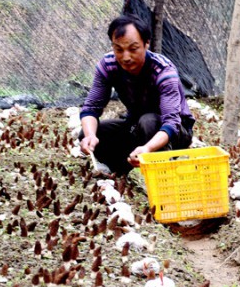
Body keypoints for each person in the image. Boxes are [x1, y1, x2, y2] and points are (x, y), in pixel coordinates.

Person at [79, 15, 195, 176]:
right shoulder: (108, 65)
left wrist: (147, 148)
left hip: (174, 133)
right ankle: (124, 166)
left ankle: (161, 169)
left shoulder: (163, 71)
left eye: (133, 49)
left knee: (149, 121)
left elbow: (171, 123)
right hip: (135, 126)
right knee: (90, 132)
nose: (125, 57)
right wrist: (90, 136)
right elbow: (91, 108)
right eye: (118, 49)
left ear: (146, 44)